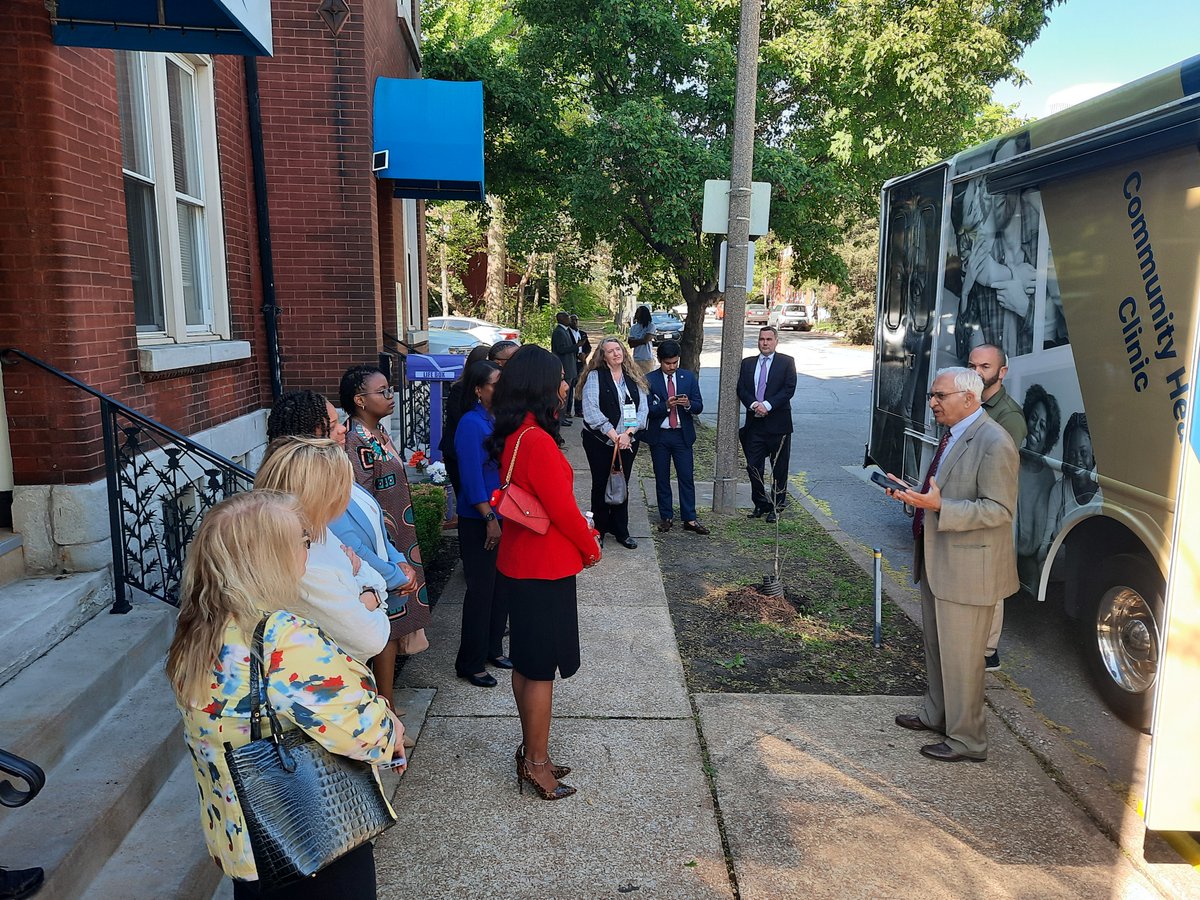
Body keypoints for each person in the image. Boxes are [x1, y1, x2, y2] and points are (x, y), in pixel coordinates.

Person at [166, 491, 403, 896]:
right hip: (310, 837)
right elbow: (364, 731)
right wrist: (389, 726)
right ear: (270, 557)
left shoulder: (199, 629)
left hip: (245, 840)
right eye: (303, 542)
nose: (307, 553)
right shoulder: (282, 637)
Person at [887, 367, 1018, 763]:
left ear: (969, 398)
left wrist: (939, 505)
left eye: (940, 396)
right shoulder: (955, 433)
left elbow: (999, 510)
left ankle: (968, 740)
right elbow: (942, 493)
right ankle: (937, 714)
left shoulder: (995, 442)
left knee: (963, 659)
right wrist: (917, 497)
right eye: (932, 395)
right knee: (938, 648)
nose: (932, 403)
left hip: (968, 572)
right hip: (939, 562)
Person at [487, 345, 600, 800]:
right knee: (540, 670)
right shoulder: (536, 440)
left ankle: (533, 750)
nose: (566, 384)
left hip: (523, 562)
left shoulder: (517, 433)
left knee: (529, 664)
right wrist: (591, 547)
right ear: (540, 385)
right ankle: (535, 762)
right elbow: (563, 512)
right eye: (559, 376)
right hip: (544, 568)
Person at [253, 437, 391, 665]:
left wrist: (365, 593)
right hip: (320, 688)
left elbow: (374, 582)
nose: (347, 495)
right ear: (321, 494)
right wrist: (370, 593)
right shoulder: (303, 560)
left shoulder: (316, 533)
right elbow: (371, 640)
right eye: (342, 485)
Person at [340, 365, 433, 665]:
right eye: (382, 392)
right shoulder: (355, 440)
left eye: (390, 390)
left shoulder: (378, 432)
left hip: (399, 536)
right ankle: (386, 699)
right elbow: (360, 499)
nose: (390, 396)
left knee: (398, 613)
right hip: (382, 541)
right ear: (360, 400)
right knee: (387, 619)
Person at [967, 343, 1026, 672]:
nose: (976, 373)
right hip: (968, 504)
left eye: (985, 367)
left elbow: (1001, 469)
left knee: (990, 580)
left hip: (989, 507)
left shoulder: (1009, 416)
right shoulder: (971, 404)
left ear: (1002, 373)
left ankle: (989, 651)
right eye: (972, 365)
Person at [453, 360, 509, 688]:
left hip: (502, 514)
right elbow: (472, 477)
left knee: (501, 588)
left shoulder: (495, 417)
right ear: (478, 389)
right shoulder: (470, 424)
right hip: (480, 519)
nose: (501, 389)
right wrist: (489, 518)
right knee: (481, 591)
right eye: (495, 384)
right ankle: (470, 663)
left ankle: (493, 649)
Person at [579, 336, 648, 549]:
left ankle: (621, 530)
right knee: (601, 484)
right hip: (600, 441)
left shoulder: (633, 377)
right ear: (603, 356)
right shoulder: (595, 376)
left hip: (628, 440)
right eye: (610, 351)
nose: (616, 353)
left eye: (618, 349)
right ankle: (599, 529)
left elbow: (643, 409)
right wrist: (614, 435)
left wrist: (628, 434)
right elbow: (591, 411)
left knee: (622, 483)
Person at [644, 340, 708, 535]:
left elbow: (699, 405)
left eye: (675, 362)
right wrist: (666, 405)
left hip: (682, 435)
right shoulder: (649, 379)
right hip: (660, 435)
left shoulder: (687, 378)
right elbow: (645, 410)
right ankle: (666, 516)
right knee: (662, 477)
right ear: (660, 361)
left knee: (686, 477)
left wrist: (688, 404)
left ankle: (689, 517)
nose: (672, 367)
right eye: (668, 363)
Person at [737, 326, 797, 523]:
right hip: (755, 425)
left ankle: (777, 506)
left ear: (776, 341)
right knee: (753, 467)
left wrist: (768, 406)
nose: (765, 343)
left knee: (779, 467)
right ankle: (760, 502)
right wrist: (754, 404)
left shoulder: (786, 362)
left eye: (769, 339)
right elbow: (742, 389)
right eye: (762, 339)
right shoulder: (747, 364)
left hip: (778, 425)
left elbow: (788, 389)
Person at [1015, 384, 1061, 589]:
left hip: (1028, 557)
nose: (1035, 427)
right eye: (1033, 419)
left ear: (1047, 438)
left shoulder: (1048, 478)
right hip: (1004, 549)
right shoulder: (1012, 460)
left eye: (1043, 426)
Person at [1039, 412, 1101, 558]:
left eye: (1083, 453)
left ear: (1093, 453)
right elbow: (1044, 543)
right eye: (1072, 454)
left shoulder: (1106, 493)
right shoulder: (1059, 491)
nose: (1077, 460)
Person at [439, 344, 493, 494]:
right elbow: (460, 422)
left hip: (480, 452)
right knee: (467, 493)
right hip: (457, 453)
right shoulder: (460, 389)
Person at [551, 311, 579, 425]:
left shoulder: (565, 331)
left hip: (570, 365)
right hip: (564, 366)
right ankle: (560, 418)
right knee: (563, 393)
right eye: (567, 317)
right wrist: (576, 346)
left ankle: (563, 416)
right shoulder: (559, 332)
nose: (569, 319)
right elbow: (561, 349)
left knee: (567, 393)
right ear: (561, 319)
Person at [570, 314, 591, 418]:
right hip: (571, 362)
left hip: (581, 362)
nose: (574, 322)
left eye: (576, 320)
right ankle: (567, 410)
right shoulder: (567, 333)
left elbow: (588, 347)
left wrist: (585, 355)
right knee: (570, 387)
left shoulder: (582, 333)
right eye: (572, 320)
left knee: (580, 386)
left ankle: (579, 410)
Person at [626, 305, 656, 374]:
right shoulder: (633, 328)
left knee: (648, 379)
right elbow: (630, 343)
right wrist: (642, 340)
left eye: (638, 312)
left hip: (647, 358)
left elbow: (645, 340)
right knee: (638, 378)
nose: (636, 314)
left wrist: (636, 341)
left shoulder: (650, 326)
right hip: (636, 357)